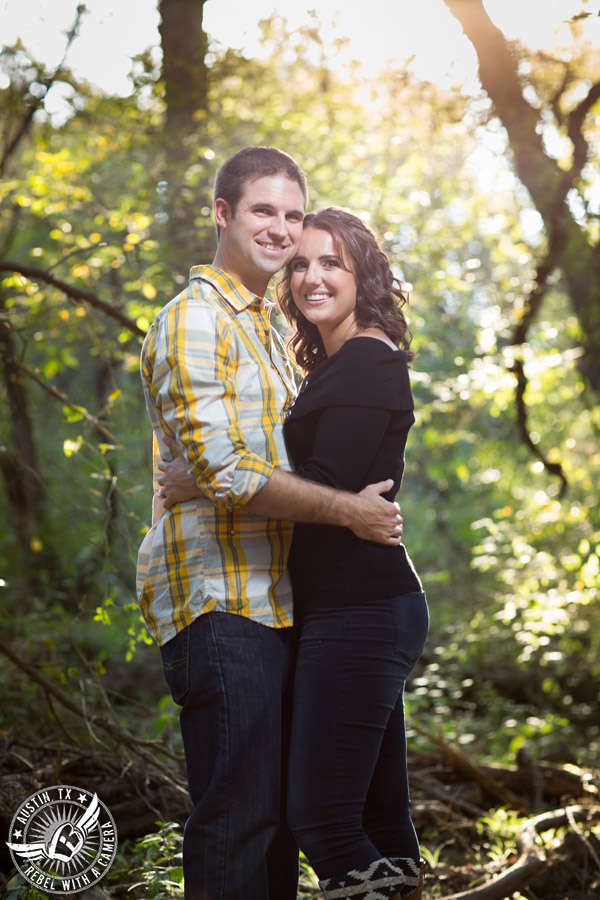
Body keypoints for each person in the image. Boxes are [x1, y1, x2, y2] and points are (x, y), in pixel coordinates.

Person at [136, 147, 404, 900]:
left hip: (279, 600)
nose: (281, 230)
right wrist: (348, 509)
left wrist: (214, 478)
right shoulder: (195, 318)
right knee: (241, 820)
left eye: (293, 214)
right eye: (264, 210)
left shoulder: (274, 335)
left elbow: (272, 460)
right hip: (220, 599)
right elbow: (225, 470)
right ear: (222, 214)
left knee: (283, 823)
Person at [277, 208, 429, 900]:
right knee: (376, 818)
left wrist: (209, 479)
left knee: (323, 819)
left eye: (332, 262)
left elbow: (327, 490)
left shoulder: (366, 358)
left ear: (363, 273)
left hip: (360, 608)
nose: (312, 276)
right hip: (358, 607)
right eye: (301, 263)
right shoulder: (334, 365)